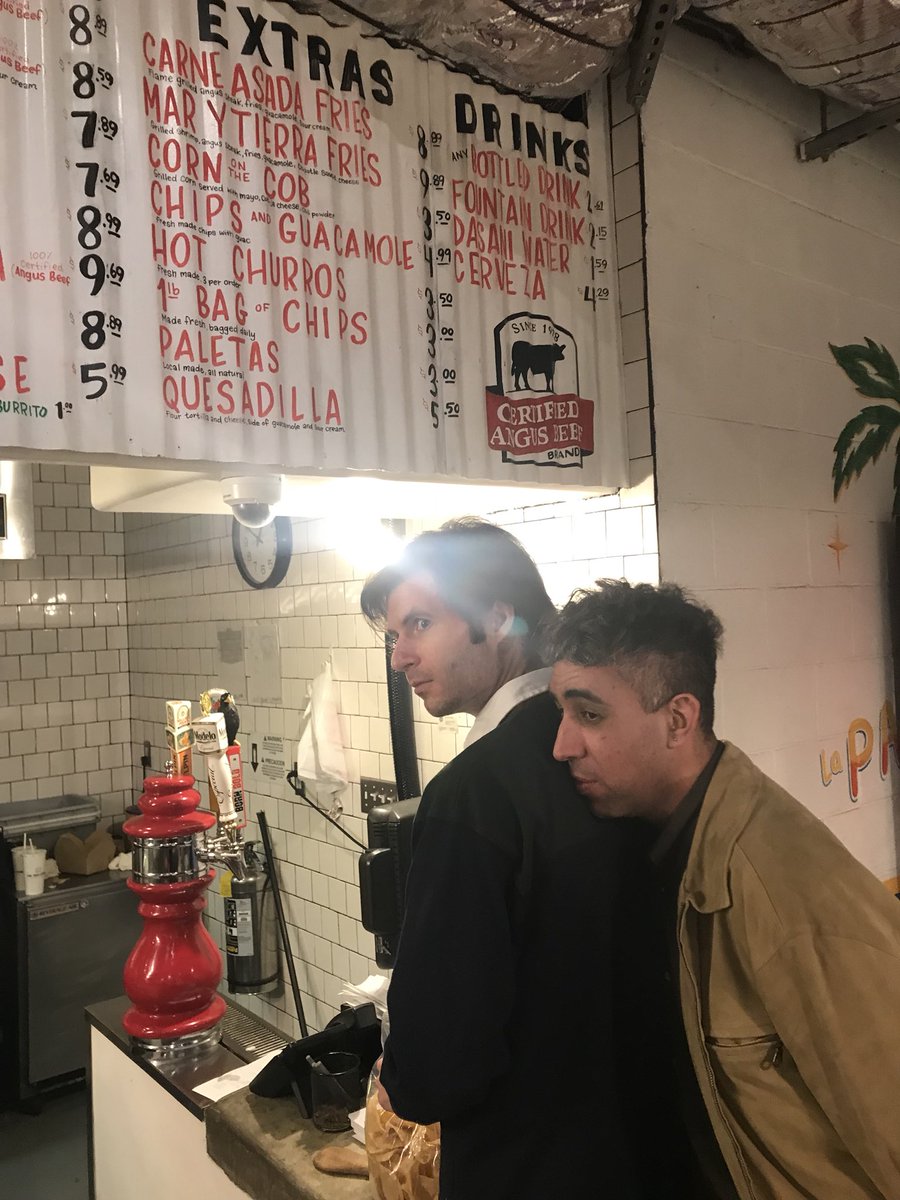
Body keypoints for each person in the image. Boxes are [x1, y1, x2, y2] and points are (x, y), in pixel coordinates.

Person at [546, 579, 900, 1200]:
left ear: (678, 720)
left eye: (590, 715)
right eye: (562, 713)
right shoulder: (660, 846)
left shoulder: (784, 888)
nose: (562, 745)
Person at [360, 519, 647, 1200]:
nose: (400, 657)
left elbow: (436, 1069)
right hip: (642, 1151)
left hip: (523, 1167)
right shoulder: (619, 750)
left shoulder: (473, 792)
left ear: (497, 617)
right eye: (394, 635)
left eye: (420, 623)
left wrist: (396, 1073)